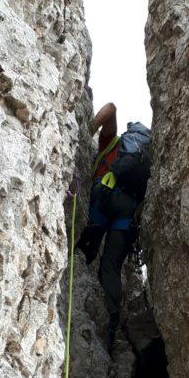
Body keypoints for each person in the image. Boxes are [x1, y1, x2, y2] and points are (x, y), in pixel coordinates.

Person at [76, 102, 151, 350]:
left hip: (103, 198)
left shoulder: (111, 144)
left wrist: (86, 131)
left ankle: (80, 267)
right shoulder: (143, 163)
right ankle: (109, 324)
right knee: (110, 266)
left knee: (87, 248)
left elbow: (110, 107)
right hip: (127, 213)